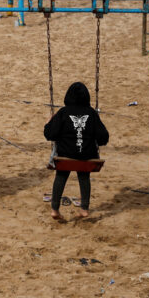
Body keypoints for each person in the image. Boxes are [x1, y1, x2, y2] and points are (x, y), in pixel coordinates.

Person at [43, 82, 109, 221]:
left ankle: (55, 209)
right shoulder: (91, 113)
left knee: (61, 175)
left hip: (65, 157)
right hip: (86, 157)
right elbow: (104, 138)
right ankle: (84, 208)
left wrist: (48, 123)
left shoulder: (63, 112)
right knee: (84, 176)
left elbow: (50, 135)